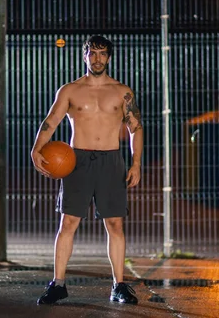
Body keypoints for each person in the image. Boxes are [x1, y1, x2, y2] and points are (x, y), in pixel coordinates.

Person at [30, 35, 144, 305]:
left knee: (115, 224)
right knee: (68, 223)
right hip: (77, 161)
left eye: (103, 54)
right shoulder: (70, 90)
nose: (97, 58)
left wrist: (136, 162)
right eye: (92, 53)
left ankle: (119, 285)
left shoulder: (122, 92)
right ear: (84, 56)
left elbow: (135, 128)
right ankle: (58, 284)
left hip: (111, 161)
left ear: (109, 57)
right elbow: (51, 120)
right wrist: (36, 148)